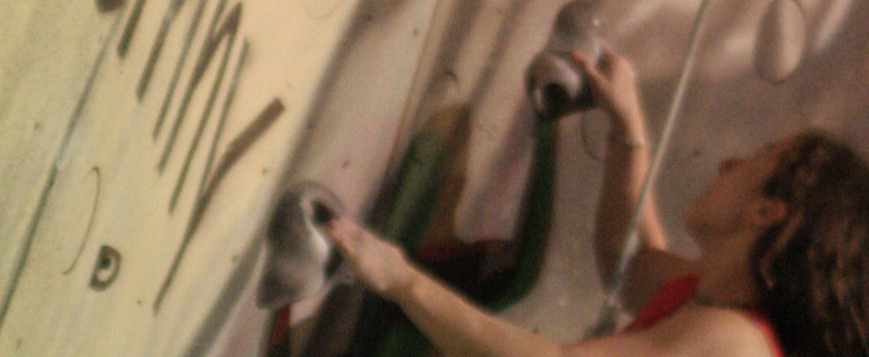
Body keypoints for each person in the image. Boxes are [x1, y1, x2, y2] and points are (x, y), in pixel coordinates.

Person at [327, 47, 869, 357]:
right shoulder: (712, 296)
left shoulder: (733, 345)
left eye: (758, 158)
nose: (729, 163)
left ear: (765, 212)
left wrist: (403, 281)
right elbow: (629, 261)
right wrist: (628, 131)